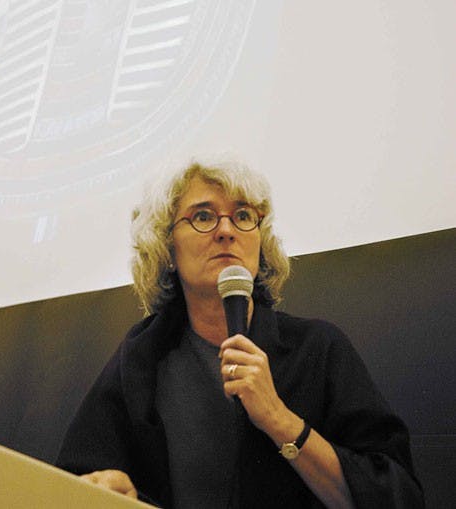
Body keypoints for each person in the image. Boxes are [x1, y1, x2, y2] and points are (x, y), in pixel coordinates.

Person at [56, 160, 424, 508]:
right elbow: (73, 482)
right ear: (166, 248)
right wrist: (114, 491)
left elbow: (397, 496)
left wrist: (279, 420)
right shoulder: (141, 360)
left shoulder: (318, 350)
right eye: (203, 216)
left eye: (244, 216)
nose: (227, 231)